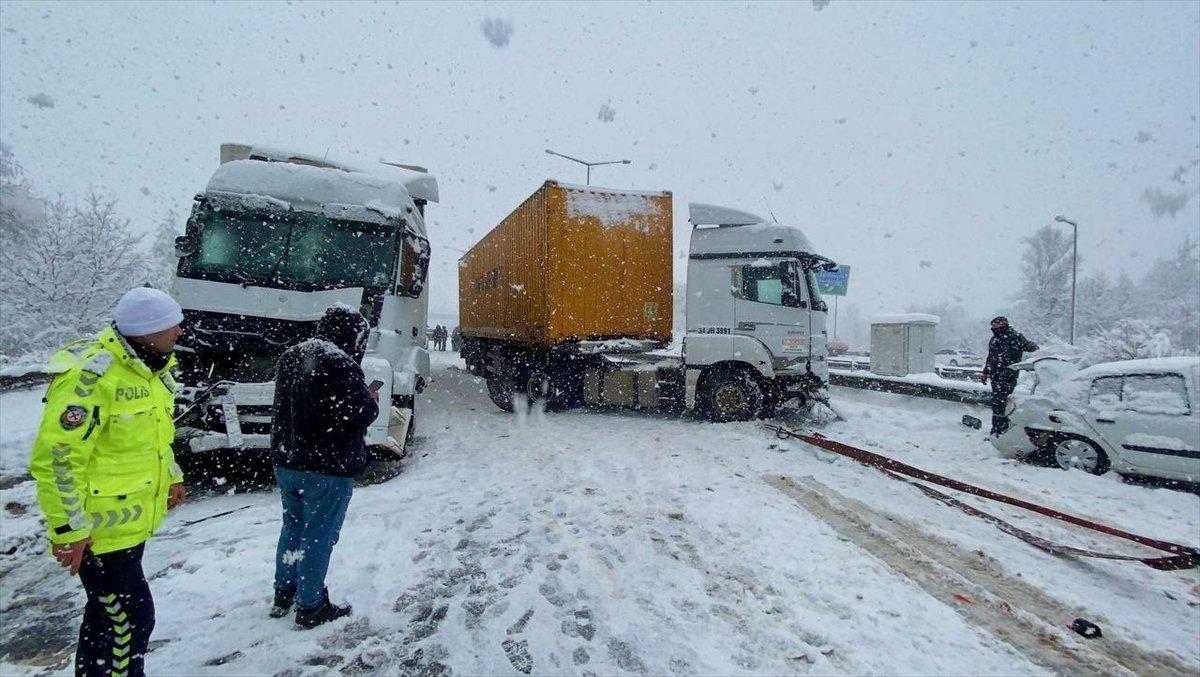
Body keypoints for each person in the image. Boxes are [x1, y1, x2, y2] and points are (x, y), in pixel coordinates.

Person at [28, 286, 187, 677]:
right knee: (131, 622)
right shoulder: (90, 377)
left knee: (105, 621)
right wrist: (68, 529)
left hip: (127, 524)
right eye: (172, 324)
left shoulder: (153, 368)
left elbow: (155, 439)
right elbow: (57, 460)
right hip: (97, 532)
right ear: (145, 331)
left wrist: (172, 477)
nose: (181, 331)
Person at [269, 306, 379, 628]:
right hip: (327, 468)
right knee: (318, 536)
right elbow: (361, 413)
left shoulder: (290, 357)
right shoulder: (341, 363)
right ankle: (311, 605)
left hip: (287, 462)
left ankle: (284, 591)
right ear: (354, 335)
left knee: (292, 528)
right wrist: (371, 399)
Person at [980, 316, 1038, 436]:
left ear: (1004, 324)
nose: (994, 327)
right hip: (995, 375)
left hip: (1008, 376)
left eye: (997, 324)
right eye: (993, 324)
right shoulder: (994, 339)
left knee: (1001, 402)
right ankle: (997, 429)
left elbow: (1027, 346)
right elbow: (990, 357)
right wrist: (985, 372)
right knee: (997, 403)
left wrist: (1032, 346)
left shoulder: (1015, 337)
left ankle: (1000, 430)